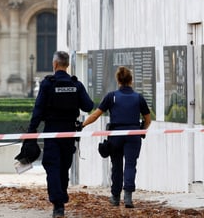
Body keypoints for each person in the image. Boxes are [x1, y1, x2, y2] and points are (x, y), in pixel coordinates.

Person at [25, 51, 94, 218]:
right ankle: (61, 196)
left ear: (55, 64)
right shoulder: (75, 84)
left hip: (52, 132)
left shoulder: (48, 84)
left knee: (52, 166)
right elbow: (88, 106)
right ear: (67, 65)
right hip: (69, 132)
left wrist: (31, 130)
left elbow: (38, 110)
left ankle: (58, 204)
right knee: (63, 167)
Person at [82, 66, 151, 208]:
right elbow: (148, 119)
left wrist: (82, 125)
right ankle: (128, 198)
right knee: (131, 165)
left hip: (116, 135)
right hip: (133, 135)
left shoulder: (111, 96)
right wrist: (141, 130)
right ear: (131, 80)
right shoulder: (139, 98)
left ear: (118, 80)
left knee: (117, 166)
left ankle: (115, 197)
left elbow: (95, 115)